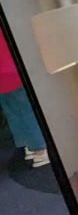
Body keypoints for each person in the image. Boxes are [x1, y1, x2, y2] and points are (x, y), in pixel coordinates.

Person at [0, 34, 49, 167]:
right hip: (12, 71)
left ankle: (29, 145)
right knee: (26, 111)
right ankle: (39, 149)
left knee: (13, 113)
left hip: (3, 78)